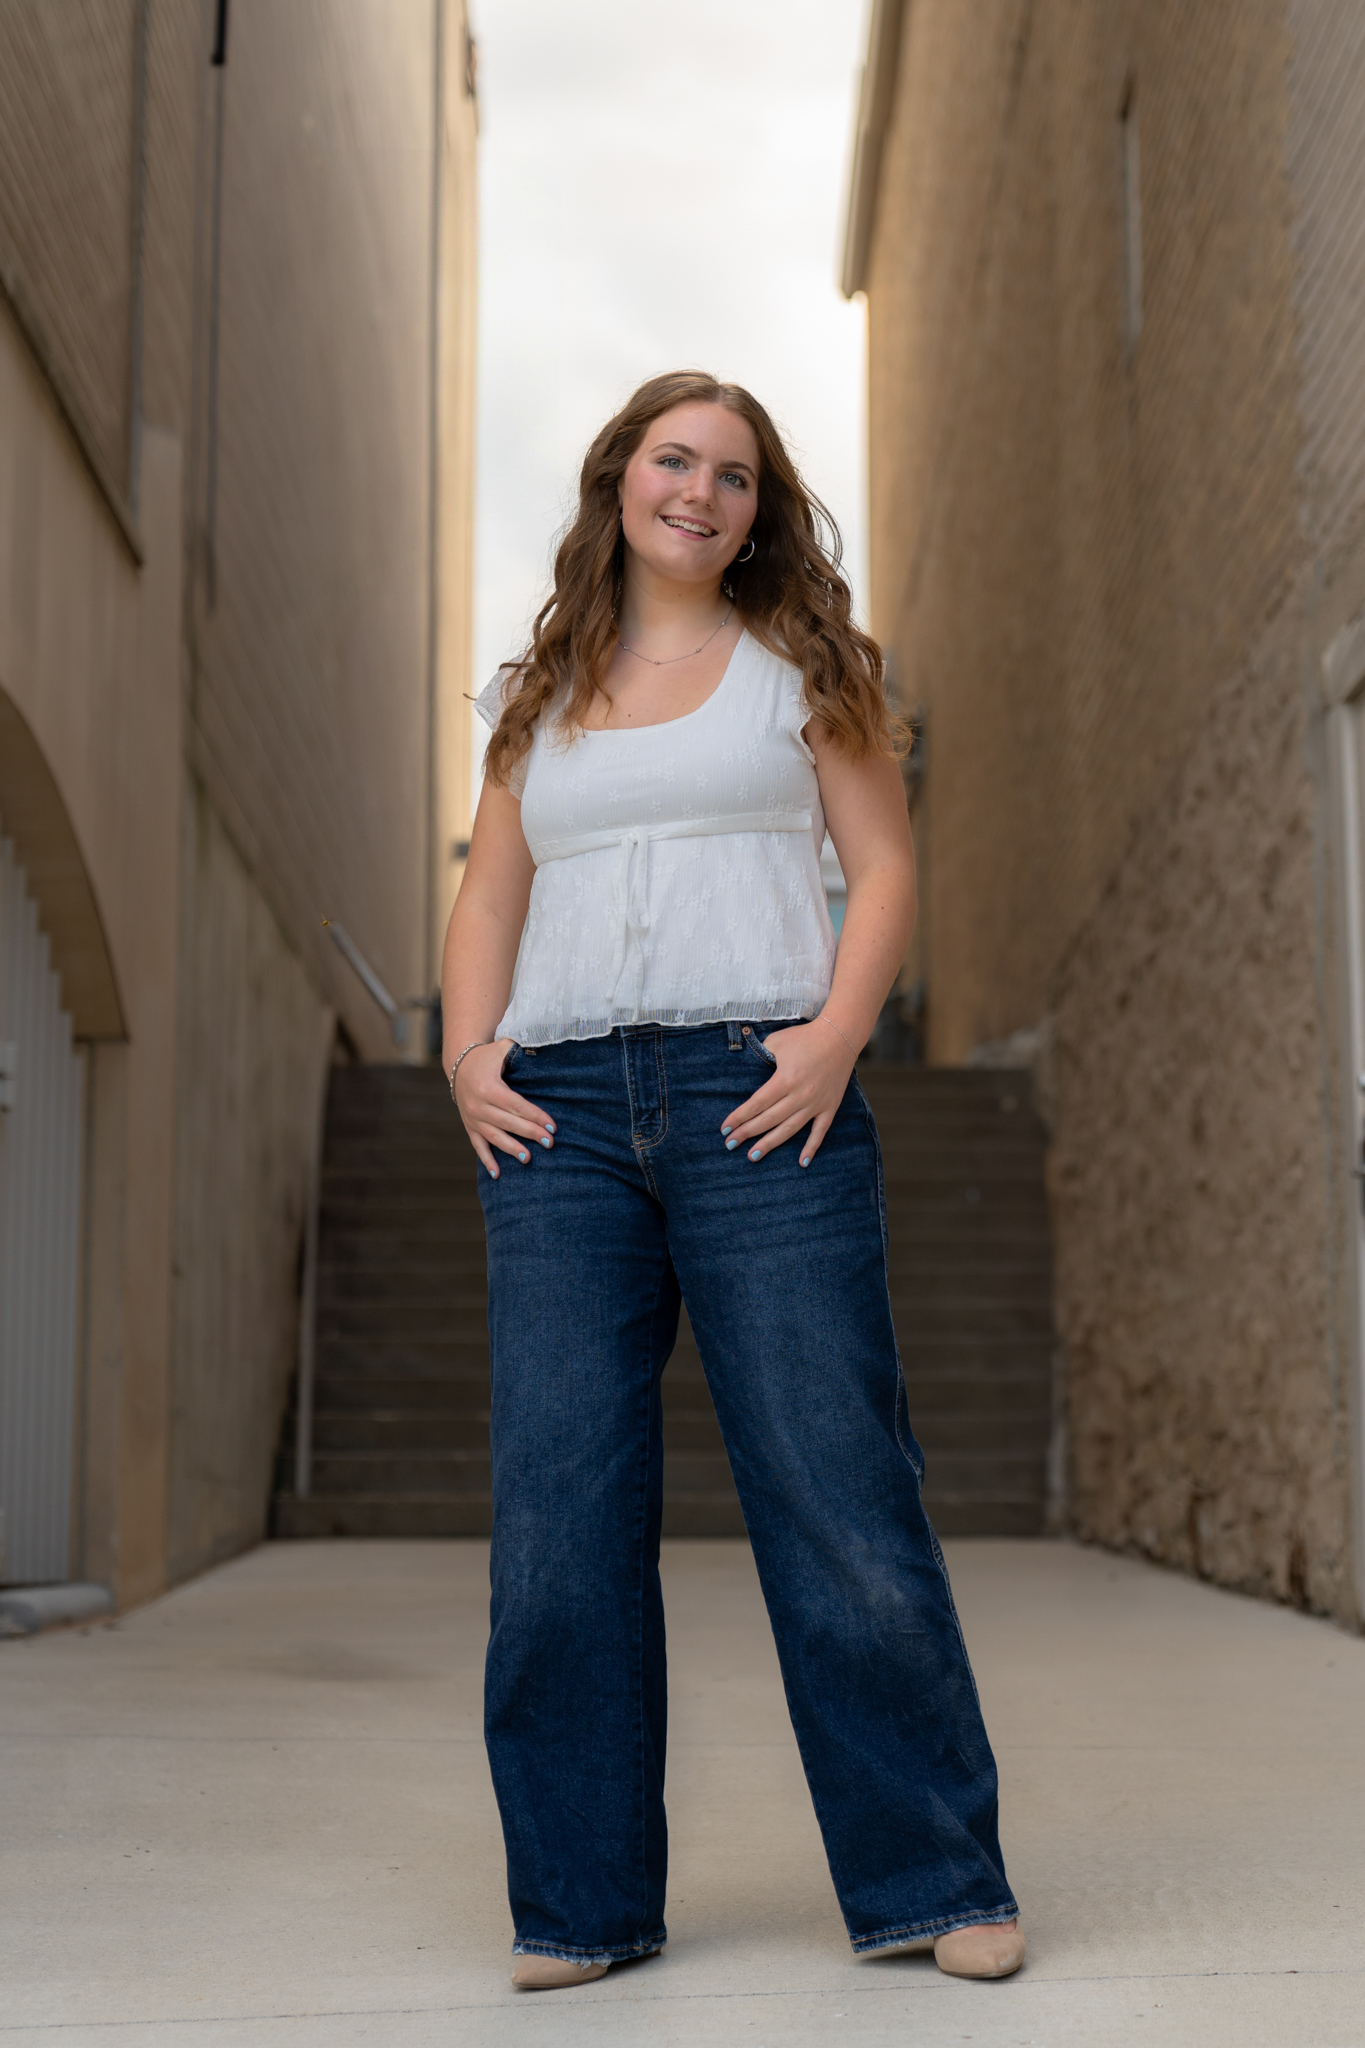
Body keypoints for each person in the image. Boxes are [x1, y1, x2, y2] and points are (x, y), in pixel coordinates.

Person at [441, 370, 1023, 1992]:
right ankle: (578, 1905)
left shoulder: (803, 668)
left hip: (758, 1094)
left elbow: (884, 861)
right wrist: (467, 1057)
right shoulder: (538, 688)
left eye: (737, 477)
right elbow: (491, 894)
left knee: (835, 1486)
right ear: (619, 475)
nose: (701, 493)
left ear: (759, 512)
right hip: (555, 1119)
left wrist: (839, 1035)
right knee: (559, 1517)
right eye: (674, 460)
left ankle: (934, 1879)